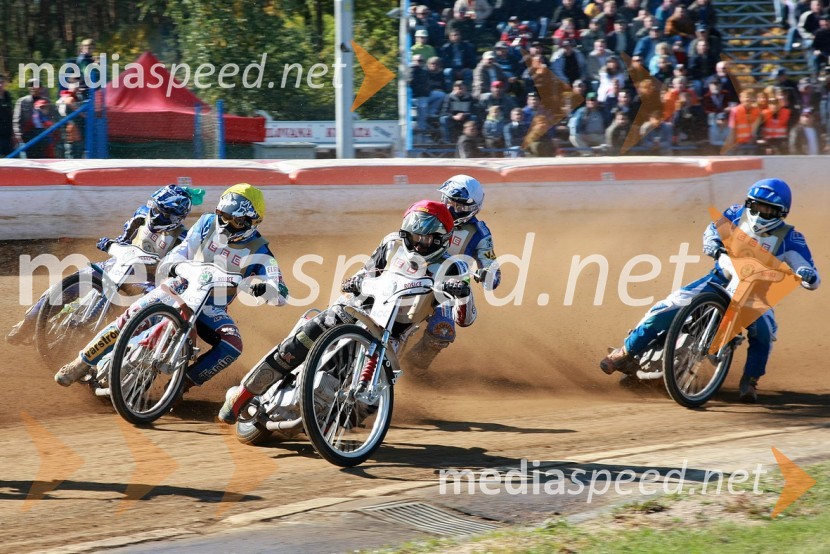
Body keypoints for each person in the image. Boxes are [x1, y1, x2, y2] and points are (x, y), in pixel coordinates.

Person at [218, 199, 476, 424]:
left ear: (441, 238)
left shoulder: (452, 268)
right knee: (301, 341)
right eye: (413, 235)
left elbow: (464, 319)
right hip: (355, 308)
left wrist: (463, 295)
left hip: (394, 334)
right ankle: (243, 395)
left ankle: (328, 428)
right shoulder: (392, 243)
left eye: (425, 238)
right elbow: (366, 271)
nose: (417, 243)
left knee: (367, 404)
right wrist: (354, 280)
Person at [600, 178, 821, 403]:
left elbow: (809, 271)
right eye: (756, 206)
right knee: (667, 308)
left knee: (764, 332)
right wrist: (713, 243)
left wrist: (806, 274)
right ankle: (624, 353)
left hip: (754, 295)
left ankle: (751, 380)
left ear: (780, 213)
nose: (760, 212)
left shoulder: (791, 239)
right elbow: (713, 229)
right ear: (749, 203)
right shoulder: (735, 213)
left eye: (768, 209)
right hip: (717, 279)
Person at [53, 184, 289, 392]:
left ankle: (182, 384)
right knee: (130, 316)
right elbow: (184, 248)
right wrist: (174, 263)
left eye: (235, 221)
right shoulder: (207, 222)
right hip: (181, 285)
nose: (225, 225)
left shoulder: (261, 251)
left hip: (212, 308)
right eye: (223, 215)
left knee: (232, 346)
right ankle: (80, 364)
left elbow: (281, 293)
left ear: (252, 222)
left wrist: (264, 290)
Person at [6, 184, 200, 346]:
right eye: (156, 208)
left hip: (146, 282)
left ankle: (120, 351)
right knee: (71, 282)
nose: (156, 216)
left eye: (164, 214)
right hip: (118, 264)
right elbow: (124, 239)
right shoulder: (142, 214)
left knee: (144, 312)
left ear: (177, 218)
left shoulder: (183, 238)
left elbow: (176, 270)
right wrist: (110, 243)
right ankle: (28, 323)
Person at [403, 175, 501, 370]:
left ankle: (411, 368)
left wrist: (487, 274)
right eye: (449, 201)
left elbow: (492, 268)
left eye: (460, 206)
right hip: (412, 272)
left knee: (443, 329)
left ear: (473, 208)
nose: (452, 209)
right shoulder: (429, 212)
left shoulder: (480, 233)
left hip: (447, 286)